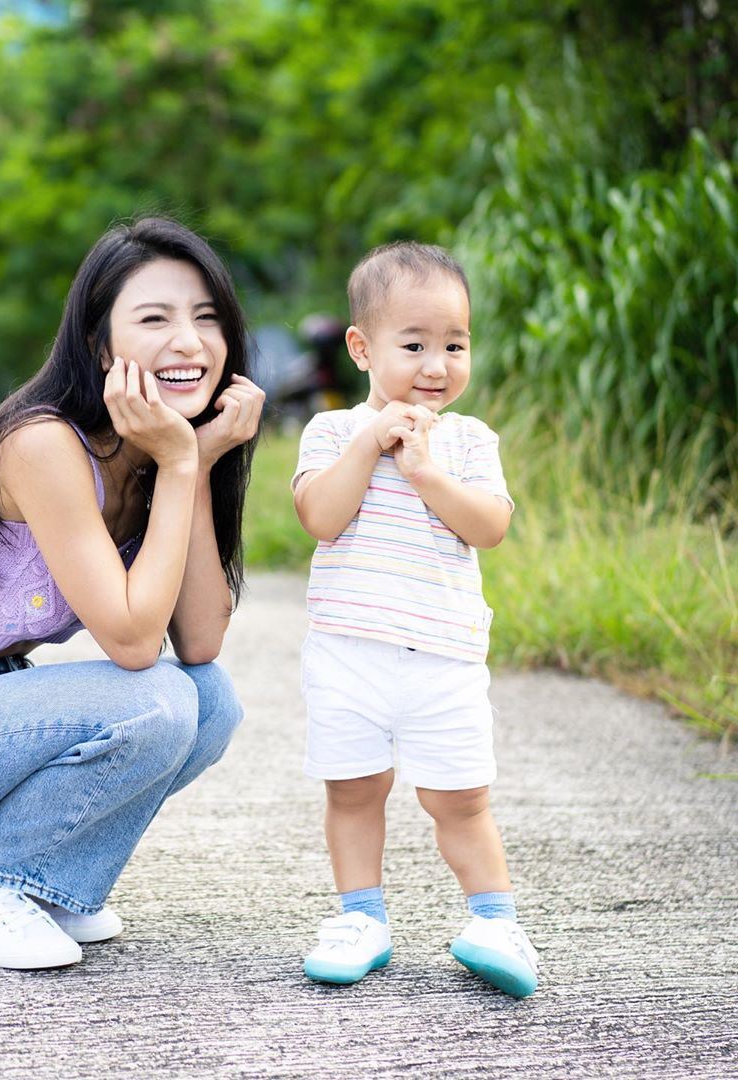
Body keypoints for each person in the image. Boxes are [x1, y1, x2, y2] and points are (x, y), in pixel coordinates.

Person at [0, 217, 264, 971]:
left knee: (209, 698)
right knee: (152, 698)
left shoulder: (153, 458)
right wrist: (182, 461)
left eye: (206, 318)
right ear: (101, 348)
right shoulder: (43, 443)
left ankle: (46, 882)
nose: (190, 343)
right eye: (154, 318)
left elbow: (197, 642)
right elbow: (132, 644)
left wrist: (187, 466)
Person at [290, 241, 539, 997]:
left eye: (454, 345)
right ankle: (360, 917)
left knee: (460, 798)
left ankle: (495, 919)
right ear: (363, 349)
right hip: (348, 653)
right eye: (415, 345)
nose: (437, 365)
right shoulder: (332, 434)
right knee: (353, 789)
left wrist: (427, 470)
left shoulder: (468, 440)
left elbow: (489, 526)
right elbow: (321, 518)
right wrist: (372, 442)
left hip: (443, 657)